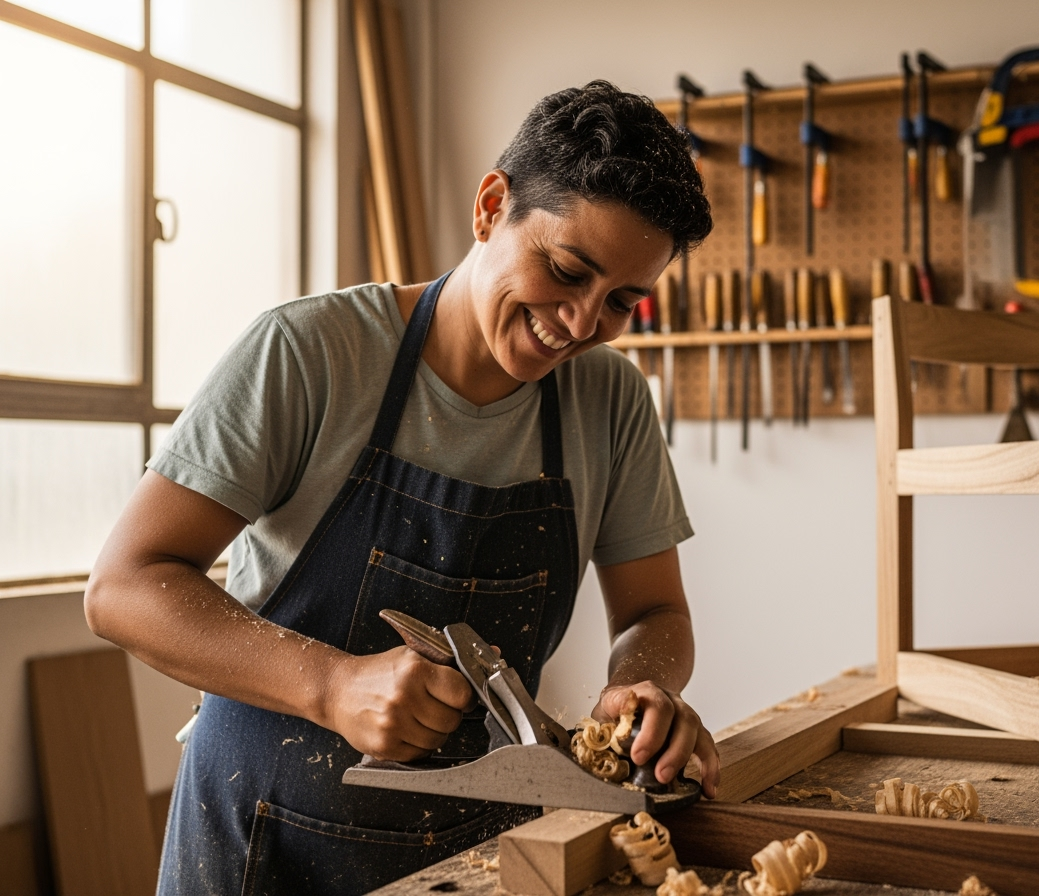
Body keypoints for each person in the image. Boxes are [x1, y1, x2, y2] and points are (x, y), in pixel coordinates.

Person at [85, 80, 718, 895]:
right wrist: (331, 684)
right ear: (492, 207)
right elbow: (123, 588)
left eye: (622, 302)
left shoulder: (611, 403)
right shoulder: (308, 354)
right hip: (261, 839)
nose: (580, 323)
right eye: (566, 270)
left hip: (480, 858)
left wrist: (645, 689)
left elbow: (653, 615)